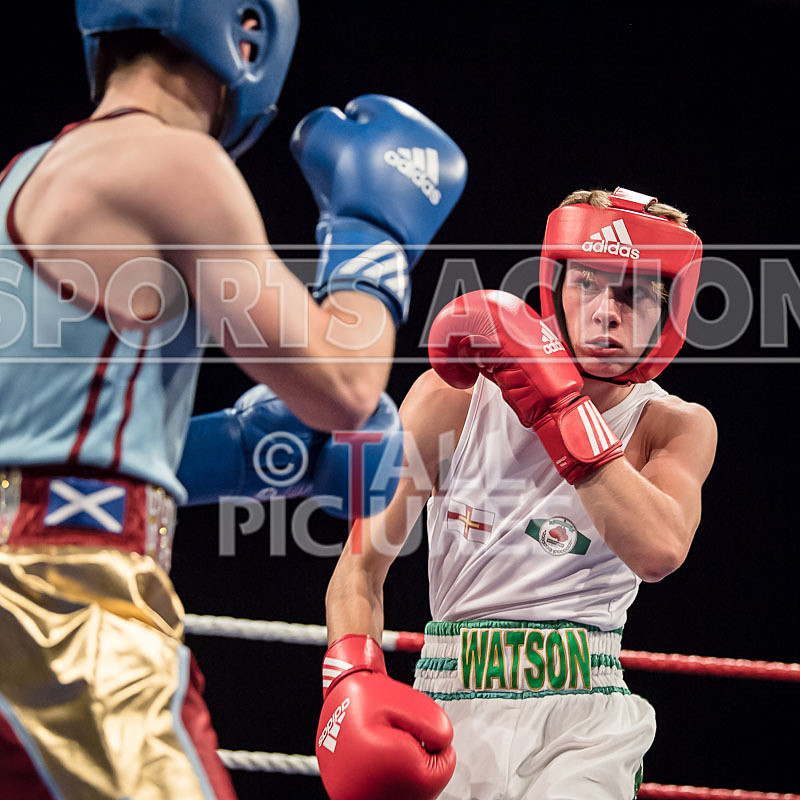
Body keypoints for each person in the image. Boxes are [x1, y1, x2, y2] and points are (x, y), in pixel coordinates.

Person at [0, 1, 467, 797]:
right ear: (248, 32)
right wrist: (373, 233)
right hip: (70, 614)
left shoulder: (26, 171)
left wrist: (242, 456)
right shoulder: (175, 164)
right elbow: (345, 386)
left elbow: (49, 445)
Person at [318, 187, 717, 799]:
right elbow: (359, 569)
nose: (607, 311)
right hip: (450, 703)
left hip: (582, 719)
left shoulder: (674, 424)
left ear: (669, 310)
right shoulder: (453, 396)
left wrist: (560, 409)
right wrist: (350, 684)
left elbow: (659, 549)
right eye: (589, 283)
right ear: (555, 287)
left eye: (634, 293)